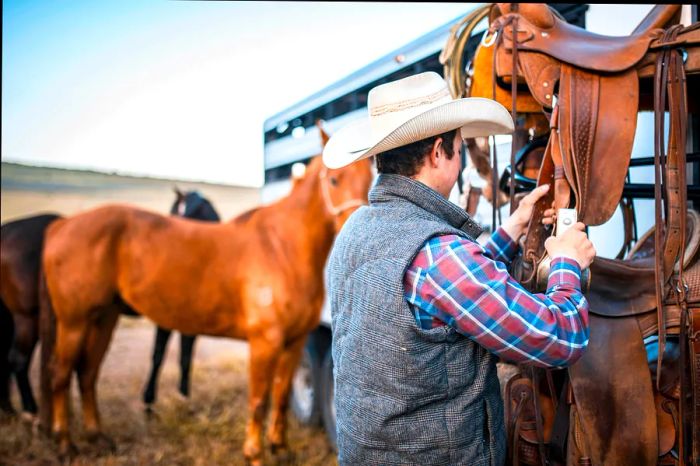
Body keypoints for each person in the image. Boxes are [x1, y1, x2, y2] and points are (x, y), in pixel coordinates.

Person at [322, 71, 596, 465]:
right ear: (438, 152)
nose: (461, 154)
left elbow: (448, 300)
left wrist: (513, 228)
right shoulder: (440, 255)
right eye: (459, 146)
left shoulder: (356, 230)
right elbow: (560, 337)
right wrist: (568, 262)